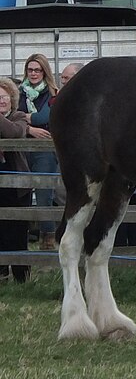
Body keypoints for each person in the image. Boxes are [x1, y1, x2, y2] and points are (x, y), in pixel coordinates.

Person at [0, 77, 50, 282]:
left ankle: (22, 276)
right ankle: (1, 273)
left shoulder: (19, 117)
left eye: (3, 97)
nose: (1, 101)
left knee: (18, 231)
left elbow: (12, 132)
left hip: (17, 183)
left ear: (12, 99)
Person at [18, 54, 59, 250]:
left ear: (44, 71)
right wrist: (30, 128)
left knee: (44, 194)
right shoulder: (19, 92)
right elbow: (13, 118)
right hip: (22, 148)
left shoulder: (53, 93)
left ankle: (48, 241)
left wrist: (26, 118)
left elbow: (45, 116)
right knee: (20, 192)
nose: (33, 73)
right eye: (30, 69)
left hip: (45, 150)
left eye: (37, 70)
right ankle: (19, 238)